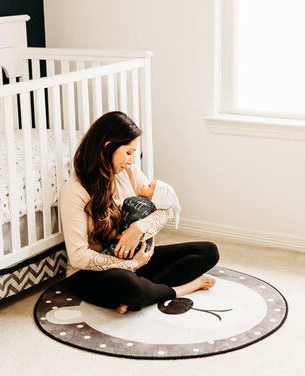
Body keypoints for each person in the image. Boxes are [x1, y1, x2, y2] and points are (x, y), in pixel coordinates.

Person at [58, 111, 220, 314]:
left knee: (208, 251)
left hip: (134, 261)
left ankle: (141, 292)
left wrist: (138, 229)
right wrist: (130, 265)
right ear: (108, 147)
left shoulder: (129, 172)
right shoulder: (74, 191)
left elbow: (165, 210)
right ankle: (179, 289)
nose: (130, 160)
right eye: (128, 152)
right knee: (126, 282)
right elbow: (79, 257)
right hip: (90, 272)